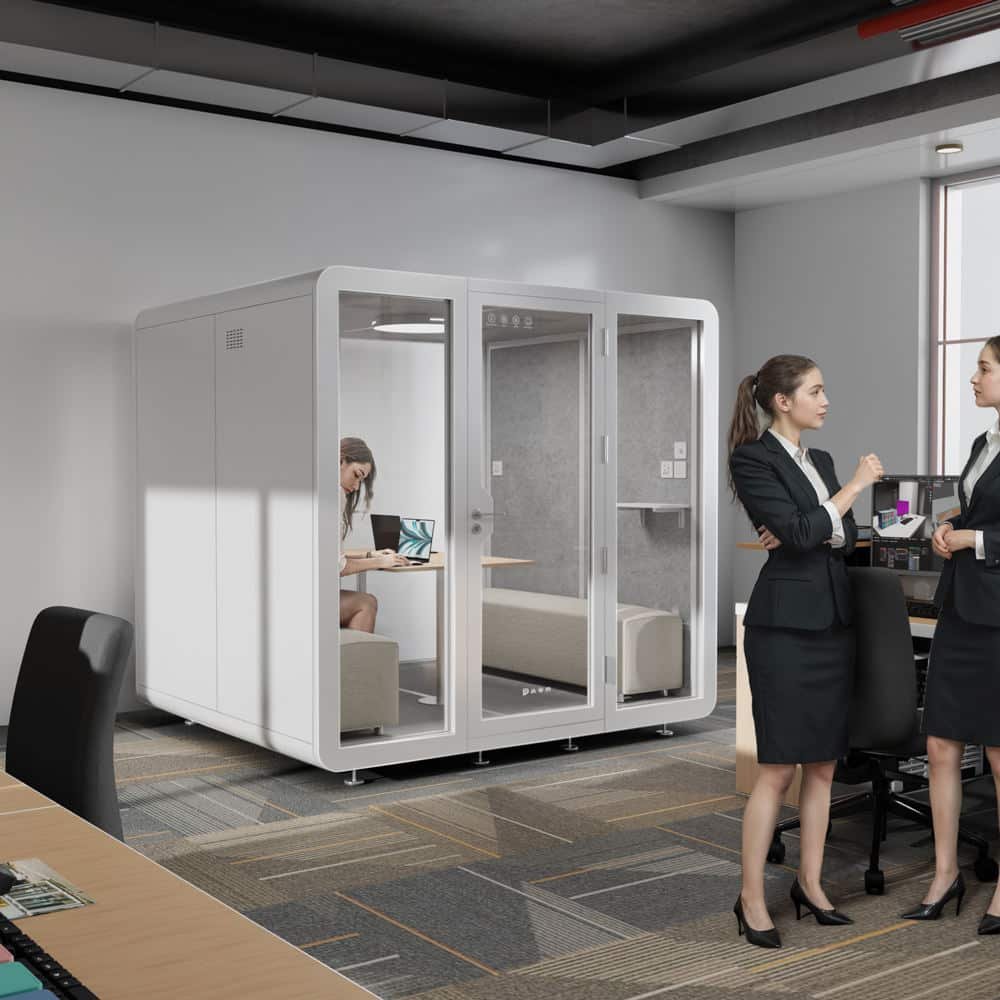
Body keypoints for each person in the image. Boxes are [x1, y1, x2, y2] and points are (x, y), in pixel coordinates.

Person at [728, 354, 883, 949]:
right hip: (785, 630)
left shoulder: (817, 459)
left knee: (822, 765)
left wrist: (816, 521)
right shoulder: (751, 457)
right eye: (815, 391)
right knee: (777, 769)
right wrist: (848, 493)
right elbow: (800, 534)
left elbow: (834, 536)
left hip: (832, 622)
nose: (826, 401)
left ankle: (811, 885)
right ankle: (749, 898)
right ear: (782, 402)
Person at [902, 335, 1000, 934]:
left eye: (984, 369)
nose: (973, 378)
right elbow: (985, 512)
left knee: (997, 751)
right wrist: (952, 524)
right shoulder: (982, 443)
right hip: (961, 610)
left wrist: (976, 540)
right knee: (941, 742)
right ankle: (944, 873)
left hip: (999, 617)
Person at [338, 437, 409, 632]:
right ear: (340, 460)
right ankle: (353, 663)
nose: (356, 487)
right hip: (303, 599)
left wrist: (370, 556)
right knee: (366, 603)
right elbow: (338, 567)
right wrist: (381, 562)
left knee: (365, 601)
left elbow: (329, 558)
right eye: (357, 475)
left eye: (362, 480)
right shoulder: (334, 495)